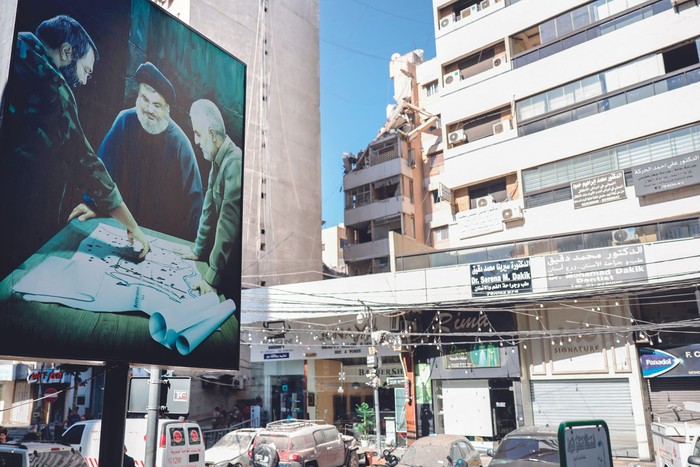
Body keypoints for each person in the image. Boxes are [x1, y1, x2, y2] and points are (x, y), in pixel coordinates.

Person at [0, 15, 150, 279]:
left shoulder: (14, 43)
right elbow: (86, 163)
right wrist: (132, 226)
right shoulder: (54, 87)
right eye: (85, 71)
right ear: (67, 52)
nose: (85, 81)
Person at [97, 62, 204, 241]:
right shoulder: (124, 121)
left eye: (157, 105)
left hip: (163, 238)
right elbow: (101, 172)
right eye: (145, 100)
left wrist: (196, 246)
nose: (149, 109)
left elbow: (195, 204)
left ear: (167, 109)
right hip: (118, 227)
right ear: (138, 96)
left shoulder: (180, 143)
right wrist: (91, 205)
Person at [176, 99, 242, 298]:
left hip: (234, 276)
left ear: (212, 135)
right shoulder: (217, 161)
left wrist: (211, 278)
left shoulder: (234, 162)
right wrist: (198, 249)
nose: (195, 141)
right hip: (224, 269)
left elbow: (227, 226)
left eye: (198, 134)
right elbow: (207, 210)